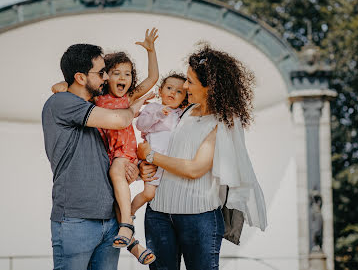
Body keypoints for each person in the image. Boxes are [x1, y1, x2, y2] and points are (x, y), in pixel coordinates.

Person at [137, 45, 268, 270]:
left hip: (198, 220)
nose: (184, 86)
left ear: (210, 86)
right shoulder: (185, 110)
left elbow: (195, 168)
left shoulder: (223, 122)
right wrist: (144, 164)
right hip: (158, 214)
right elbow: (165, 146)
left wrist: (150, 154)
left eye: (190, 81)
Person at [51, 28, 159, 265]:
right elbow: (120, 119)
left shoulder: (117, 99)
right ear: (82, 77)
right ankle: (130, 235)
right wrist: (133, 108)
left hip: (112, 196)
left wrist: (151, 52)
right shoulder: (75, 103)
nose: (110, 78)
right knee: (116, 178)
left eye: (126, 74)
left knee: (118, 175)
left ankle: (127, 229)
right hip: (77, 216)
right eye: (105, 73)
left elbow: (152, 80)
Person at [131, 72, 188, 216]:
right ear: (160, 91)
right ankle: (128, 214)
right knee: (149, 194)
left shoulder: (181, 113)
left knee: (166, 193)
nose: (173, 92)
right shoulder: (153, 108)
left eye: (179, 91)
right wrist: (157, 115)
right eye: (169, 88)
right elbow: (141, 125)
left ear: (184, 98)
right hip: (153, 159)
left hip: (170, 162)